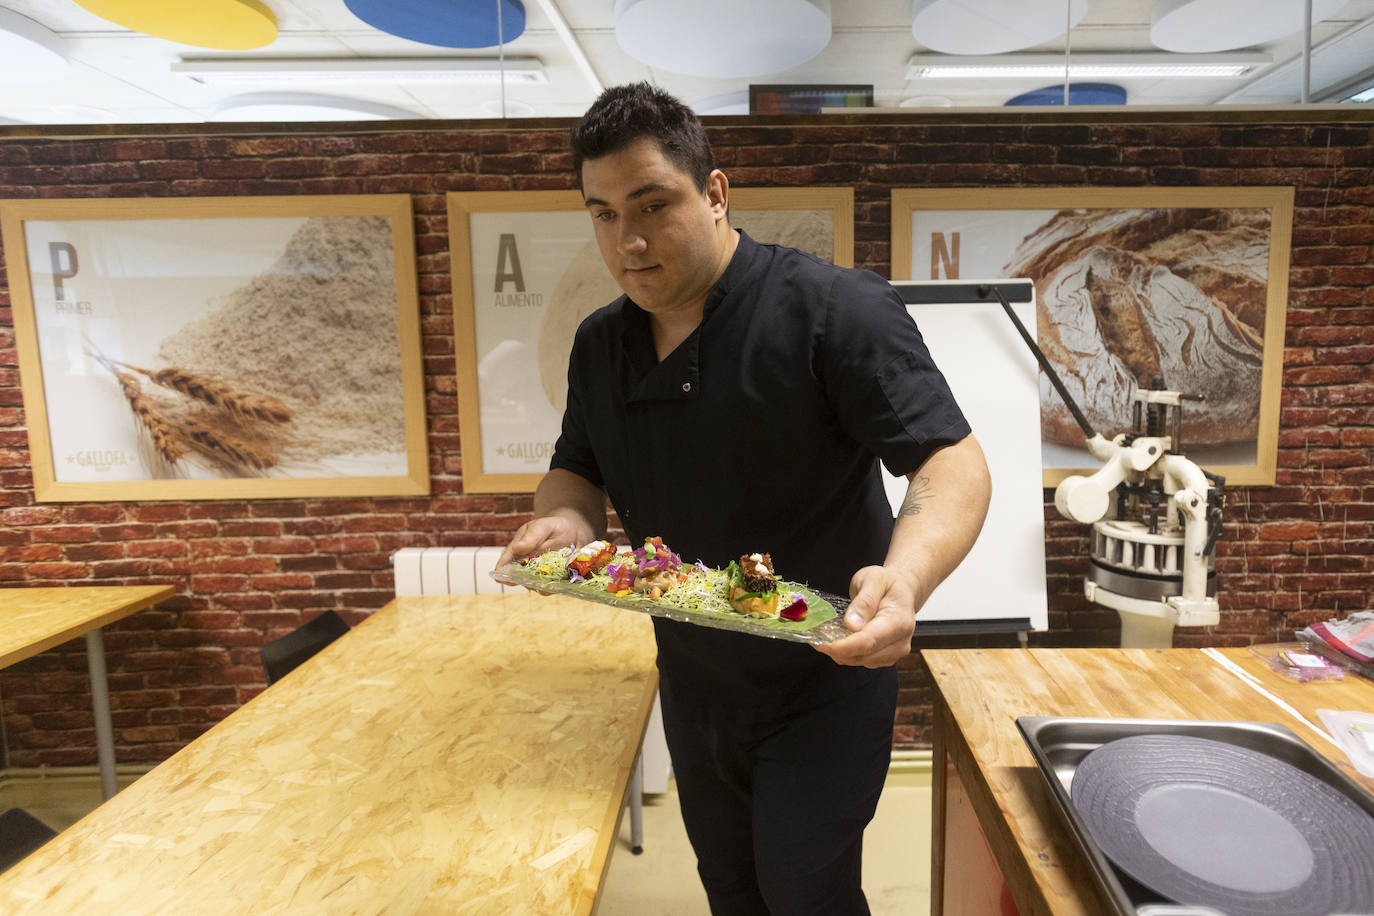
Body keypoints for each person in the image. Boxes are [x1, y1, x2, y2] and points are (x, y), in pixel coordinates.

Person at [497, 82, 992, 915]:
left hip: (823, 678)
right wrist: (562, 520)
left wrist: (904, 582)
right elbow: (576, 469)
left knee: (806, 892)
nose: (630, 240)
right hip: (696, 678)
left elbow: (952, 460)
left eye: (654, 204)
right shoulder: (600, 345)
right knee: (730, 888)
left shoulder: (835, 310)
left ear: (716, 192)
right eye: (604, 214)